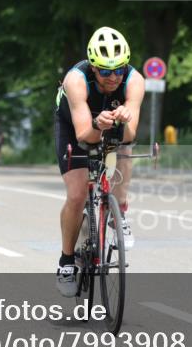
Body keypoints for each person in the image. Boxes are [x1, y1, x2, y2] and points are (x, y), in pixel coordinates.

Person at [53, 27, 145, 297]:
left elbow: (129, 135)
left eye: (119, 69)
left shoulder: (135, 80)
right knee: (78, 193)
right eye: (105, 71)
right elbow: (85, 135)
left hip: (110, 126)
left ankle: (120, 211)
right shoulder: (76, 80)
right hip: (75, 126)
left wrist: (123, 121)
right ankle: (66, 261)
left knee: (124, 148)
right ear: (93, 68)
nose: (113, 77)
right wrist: (98, 123)